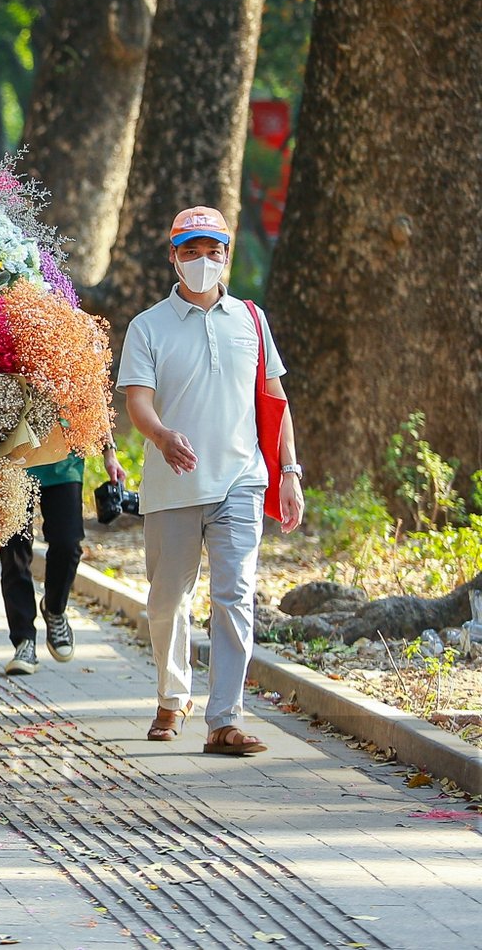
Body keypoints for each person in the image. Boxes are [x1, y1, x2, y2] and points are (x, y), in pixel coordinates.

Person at [117, 206, 302, 756]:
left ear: (226, 256)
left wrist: (289, 471)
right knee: (167, 600)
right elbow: (137, 402)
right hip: (174, 485)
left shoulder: (252, 320)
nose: (203, 262)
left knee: (235, 596)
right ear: (173, 256)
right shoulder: (147, 326)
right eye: (191, 252)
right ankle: (173, 697)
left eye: (213, 252)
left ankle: (225, 719)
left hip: (242, 479)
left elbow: (275, 400)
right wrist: (162, 436)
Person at [0, 445, 122, 675]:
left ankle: (55, 609)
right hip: (12, 456)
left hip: (63, 460)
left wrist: (109, 453)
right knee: (13, 551)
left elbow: (95, 407)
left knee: (68, 543)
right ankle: (24, 641)